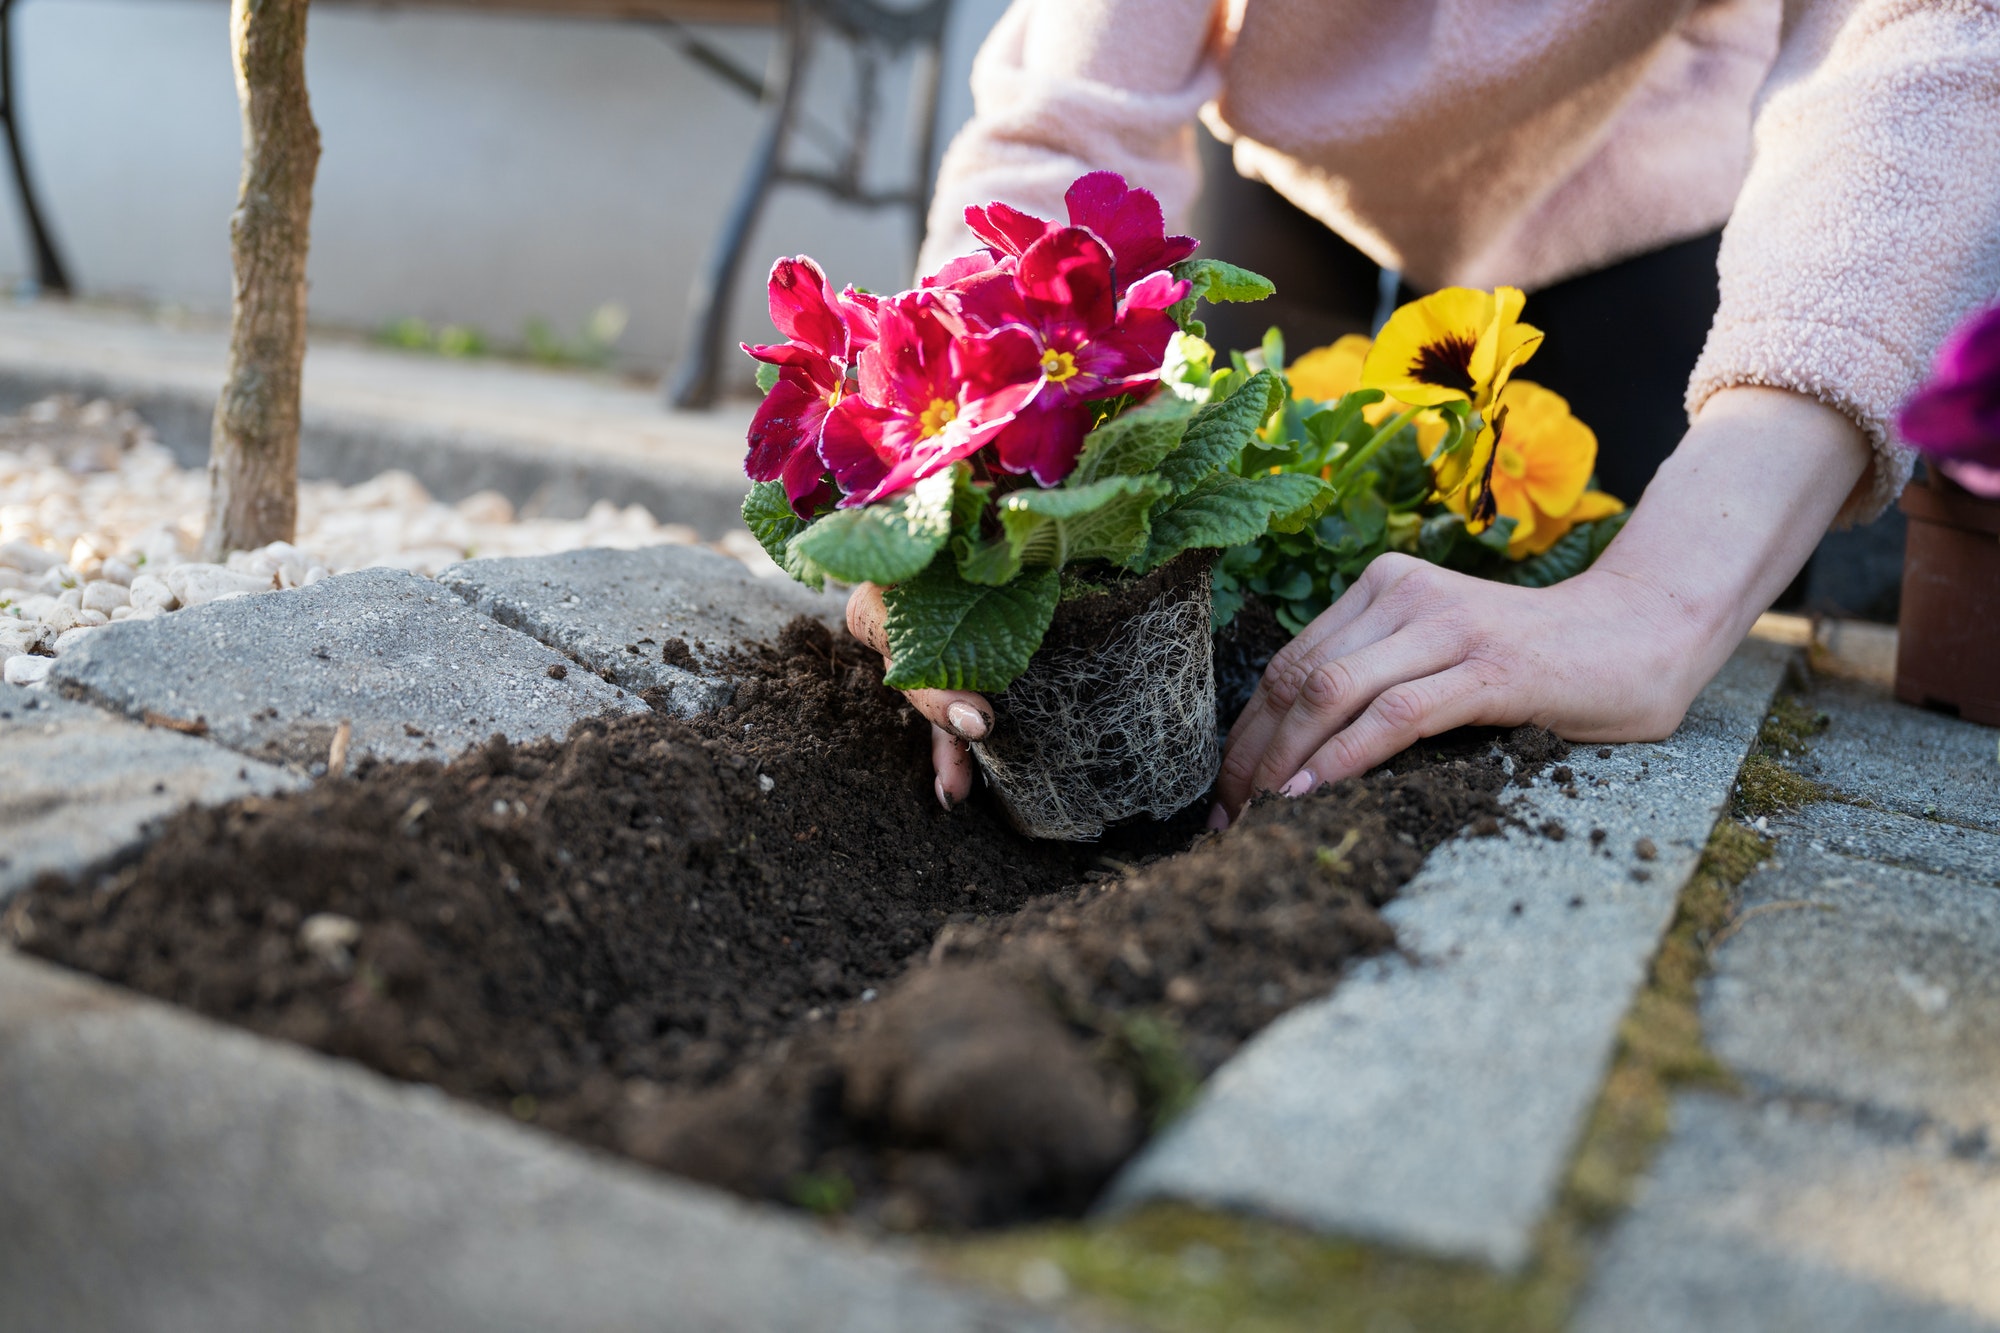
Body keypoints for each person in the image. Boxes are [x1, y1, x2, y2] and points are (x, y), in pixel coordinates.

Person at [842, 0, 2000, 823]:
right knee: (1199, 573)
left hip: (1639, 186)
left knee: (1599, 616)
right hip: (1294, 167)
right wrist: (954, 512)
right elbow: (1067, 120)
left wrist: (1659, 601)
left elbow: (1919, 50)